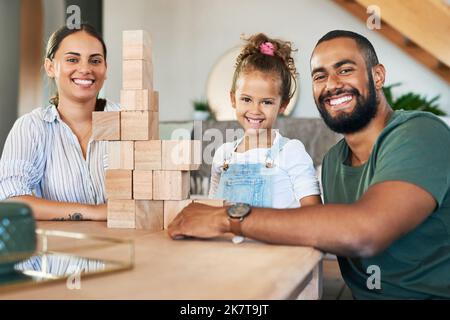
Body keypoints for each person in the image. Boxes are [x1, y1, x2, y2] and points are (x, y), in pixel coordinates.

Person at [169, 30, 450, 299]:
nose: (331, 84)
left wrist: (227, 218)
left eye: (345, 69)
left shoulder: (421, 132)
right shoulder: (332, 162)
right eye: (320, 76)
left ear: (377, 76)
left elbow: (366, 233)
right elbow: (323, 229)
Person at [0, 24, 118, 221]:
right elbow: (12, 200)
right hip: (56, 251)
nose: (85, 69)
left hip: (125, 250)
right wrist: (95, 212)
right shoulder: (31, 127)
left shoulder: (128, 118)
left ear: (105, 69)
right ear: (50, 67)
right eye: (72, 59)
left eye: (95, 60)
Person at [209, 33, 321, 209]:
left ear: (283, 105)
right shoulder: (222, 155)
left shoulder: (291, 152)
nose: (255, 110)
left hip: (277, 237)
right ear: (233, 99)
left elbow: (313, 213)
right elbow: (213, 209)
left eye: (267, 102)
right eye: (246, 99)